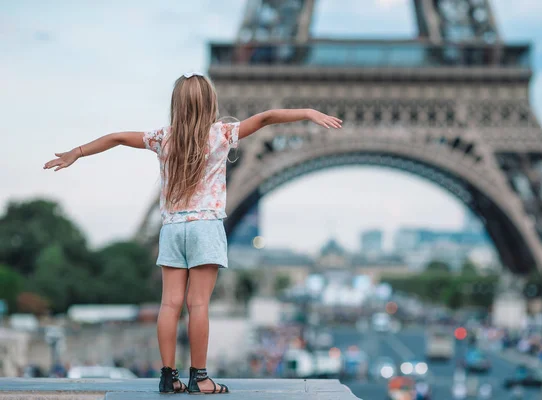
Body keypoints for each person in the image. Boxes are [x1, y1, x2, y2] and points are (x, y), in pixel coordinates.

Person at [43, 72, 342, 394]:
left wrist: (77, 152)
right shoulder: (222, 133)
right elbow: (268, 117)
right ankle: (200, 378)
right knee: (197, 305)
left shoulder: (162, 137)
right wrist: (308, 112)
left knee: (169, 305)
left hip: (172, 228)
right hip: (206, 226)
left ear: (177, 105)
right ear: (211, 102)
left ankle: (168, 376)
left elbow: (116, 137)